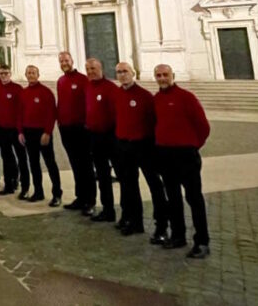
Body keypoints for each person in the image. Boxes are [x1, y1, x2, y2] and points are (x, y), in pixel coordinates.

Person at [153, 64, 211, 259]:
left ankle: (202, 241)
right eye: (159, 75)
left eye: (165, 75)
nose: (162, 78)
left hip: (186, 155)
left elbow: (203, 126)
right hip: (165, 155)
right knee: (173, 198)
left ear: (173, 76)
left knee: (194, 198)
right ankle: (178, 236)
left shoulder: (187, 97)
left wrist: (192, 145)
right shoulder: (156, 99)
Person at [113, 62, 168, 241]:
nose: (122, 75)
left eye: (125, 71)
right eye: (119, 72)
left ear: (133, 73)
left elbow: (155, 121)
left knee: (155, 185)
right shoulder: (117, 94)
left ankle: (161, 225)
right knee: (129, 185)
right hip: (124, 146)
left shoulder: (145, 96)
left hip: (144, 146)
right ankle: (135, 221)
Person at [17, 65, 62, 206]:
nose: (31, 75)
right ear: (26, 75)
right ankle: (38, 191)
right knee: (34, 163)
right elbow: (19, 114)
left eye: (33, 73)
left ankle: (57, 194)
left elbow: (51, 114)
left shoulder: (46, 92)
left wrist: (47, 132)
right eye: (29, 73)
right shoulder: (23, 93)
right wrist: (20, 132)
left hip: (42, 133)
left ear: (38, 75)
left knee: (50, 163)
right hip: (28, 133)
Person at [56, 51, 94, 213]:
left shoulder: (83, 80)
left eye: (66, 60)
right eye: (61, 61)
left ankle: (90, 200)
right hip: (66, 128)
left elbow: (89, 103)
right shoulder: (61, 81)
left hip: (81, 128)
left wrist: (87, 124)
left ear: (72, 61)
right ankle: (80, 197)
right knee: (75, 164)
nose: (64, 63)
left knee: (86, 164)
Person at [85, 58, 119, 222]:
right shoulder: (88, 87)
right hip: (94, 137)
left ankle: (129, 214)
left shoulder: (111, 88)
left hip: (111, 137)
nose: (90, 72)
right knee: (102, 175)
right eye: (88, 69)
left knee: (122, 175)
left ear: (101, 69)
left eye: (93, 68)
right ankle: (108, 210)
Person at [0, 64, 28, 196]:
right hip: (2, 129)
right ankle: (8, 184)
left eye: (6, 73)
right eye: (1, 73)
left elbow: (21, 110)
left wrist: (21, 131)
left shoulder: (17, 88)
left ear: (10, 74)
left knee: (22, 158)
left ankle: (25, 187)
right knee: (6, 158)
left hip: (16, 130)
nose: (3, 76)